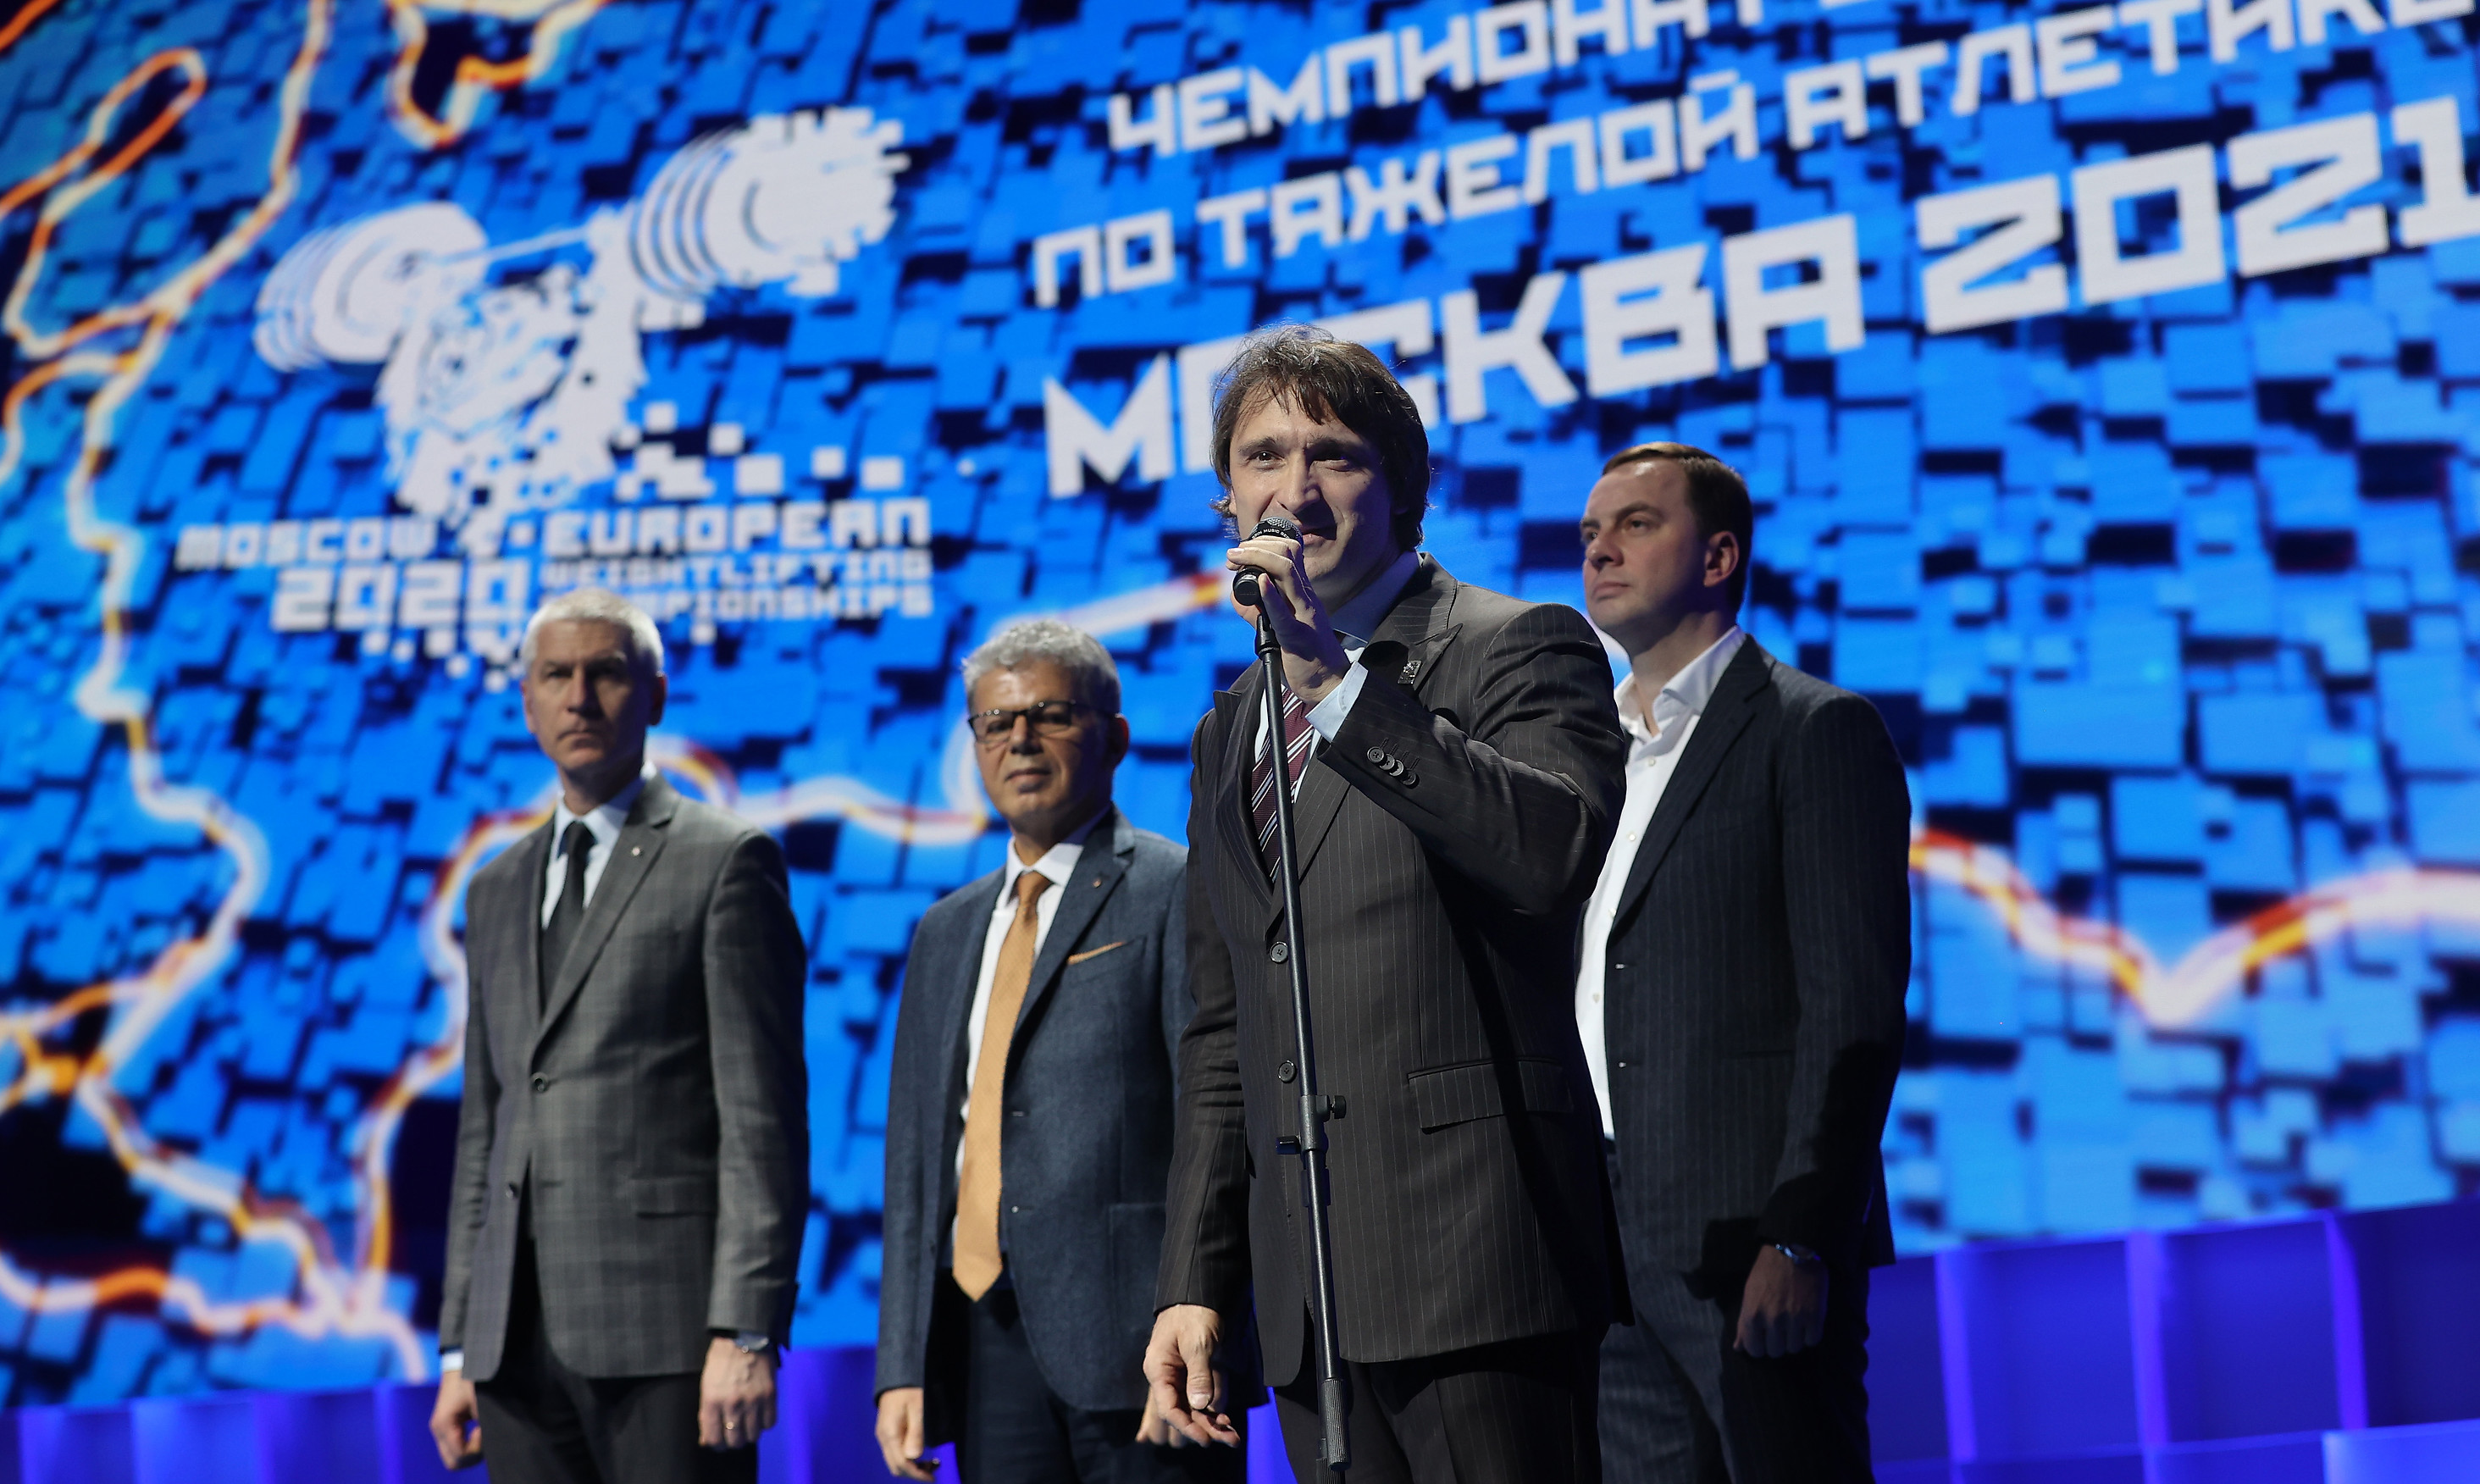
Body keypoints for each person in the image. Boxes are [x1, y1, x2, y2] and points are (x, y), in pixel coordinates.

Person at [1145, 329, 1628, 1484]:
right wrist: (1195, 1280)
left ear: (1404, 488)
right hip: (1309, 1296)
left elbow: (1547, 852)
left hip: (1479, 1261)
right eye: (1264, 456)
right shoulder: (1228, 726)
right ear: (1228, 499)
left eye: (1335, 455)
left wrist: (1336, 685)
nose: (1295, 489)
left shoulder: (1518, 644)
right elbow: (1226, 1026)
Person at [1572, 444, 1911, 1482]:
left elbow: (1853, 1012)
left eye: (1635, 524)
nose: (1600, 551)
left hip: (1750, 1234)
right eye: (1590, 533)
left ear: (1719, 556)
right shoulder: (1582, 755)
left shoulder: (1814, 729)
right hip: (1601, 1232)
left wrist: (1803, 1233)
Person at [429, 588, 810, 1483]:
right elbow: (487, 1130)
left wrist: (746, 1329)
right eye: (555, 675)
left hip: (670, 1337)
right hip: (513, 1347)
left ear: (656, 695)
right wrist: (459, 1346)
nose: (579, 697)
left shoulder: (726, 860)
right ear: (527, 701)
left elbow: (763, 1122)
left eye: (605, 673)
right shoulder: (495, 888)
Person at [874, 620, 1252, 1483]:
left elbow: (1216, 1122)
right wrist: (901, 1361)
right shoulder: (945, 928)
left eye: (1050, 714)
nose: (1020, 739)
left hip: (1142, 1348)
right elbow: (916, 1162)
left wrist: (1196, 1314)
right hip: (984, 1340)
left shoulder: (1176, 885)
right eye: (995, 721)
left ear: (1114, 736)